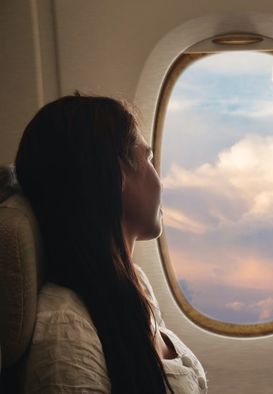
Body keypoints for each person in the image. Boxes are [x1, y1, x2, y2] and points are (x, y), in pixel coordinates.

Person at [14, 93, 207, 393]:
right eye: (149, 159)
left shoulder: (134, 285)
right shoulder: (68, 331)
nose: (161, 181)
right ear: (118, 175)